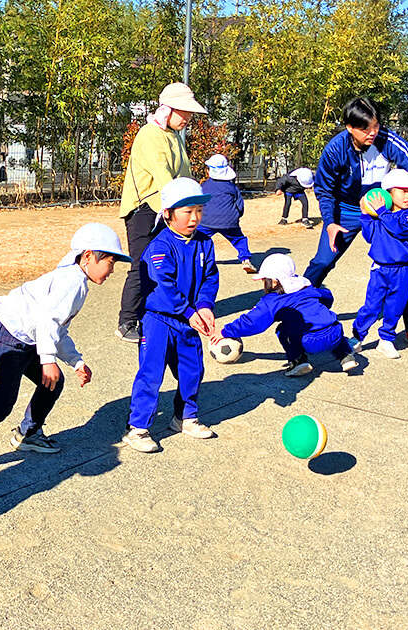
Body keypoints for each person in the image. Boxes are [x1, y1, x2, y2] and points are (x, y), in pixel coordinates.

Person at [0, 223, 132, 480]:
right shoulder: (72, 282)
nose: (111, 270)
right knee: (3, 401)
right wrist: (48, 360)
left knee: (53, 381)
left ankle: (28, 434)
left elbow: (56, 330)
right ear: (88, 256)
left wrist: (76, 361)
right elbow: (47, 322)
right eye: (109, 261)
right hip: (7, 335)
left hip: (26, 338)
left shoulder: (75, 279)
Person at [303, 96, 408, 351]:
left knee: (403, 266)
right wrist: (330, 223)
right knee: (323, 260)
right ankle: (296, 304)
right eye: (365, 128)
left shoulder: (387, 140)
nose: (372, 132)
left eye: (375, 125)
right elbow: (324, 190)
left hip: (384, 208)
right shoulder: (335, 149)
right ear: (349, 127)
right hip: (346, 210)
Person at [124, 178, 219, 453]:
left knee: (193, 370)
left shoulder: (205, 243)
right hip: (159, 321)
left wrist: (204, 306)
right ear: (167, 213)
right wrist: (190, 311)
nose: (194, 218)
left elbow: (210, 277)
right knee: (151, 373)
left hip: (189, 320)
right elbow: (163, 287)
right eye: (186, 212)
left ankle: (185, 418)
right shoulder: (159, 245)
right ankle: (137, 427)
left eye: (199, 210)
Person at [116, 82, 207, 343]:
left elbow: (184, 175)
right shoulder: (150, 134)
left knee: (170, 261)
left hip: (169, 207)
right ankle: (127, 320)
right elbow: (164, 177)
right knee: (142, 264)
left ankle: (160, 312)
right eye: (185, 112)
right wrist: (180, 208)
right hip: (145, 209)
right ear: (168, 109)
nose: (188, 118)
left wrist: (193, 204)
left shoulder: (173, 136)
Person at [214, 253, 358, 377]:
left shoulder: (272, 301)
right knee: (329, 324)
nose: (264, 284)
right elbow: (327, 296)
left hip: (309, 341)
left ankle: (298, 361)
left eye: (265, 280)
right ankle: (346, 356)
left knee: (283, 331)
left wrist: (226, 331)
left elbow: (252, 321)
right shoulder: (306, 287)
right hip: (336, 333)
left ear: (275, 282)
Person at [350, 169, 408, 359]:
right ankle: (357, 337)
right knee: (371, 305)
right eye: (403, 191)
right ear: (388, 193)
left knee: (395, 306)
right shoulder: (380, 217)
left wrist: (381, 212)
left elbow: (398, 228)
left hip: (403, 270)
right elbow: (370, 236)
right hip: (380, 269)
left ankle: (386, 340)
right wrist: (365, 215)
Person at [197, 154, 258, 274]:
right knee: (239, 239)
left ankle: (198, 261)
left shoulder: (204, 186)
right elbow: (239, 206)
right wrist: (236, 217)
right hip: (229, 221)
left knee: (198, 239)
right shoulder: (232, 187)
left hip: (206, 221)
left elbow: (199, 203)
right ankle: (245, 259)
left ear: (209, 171)